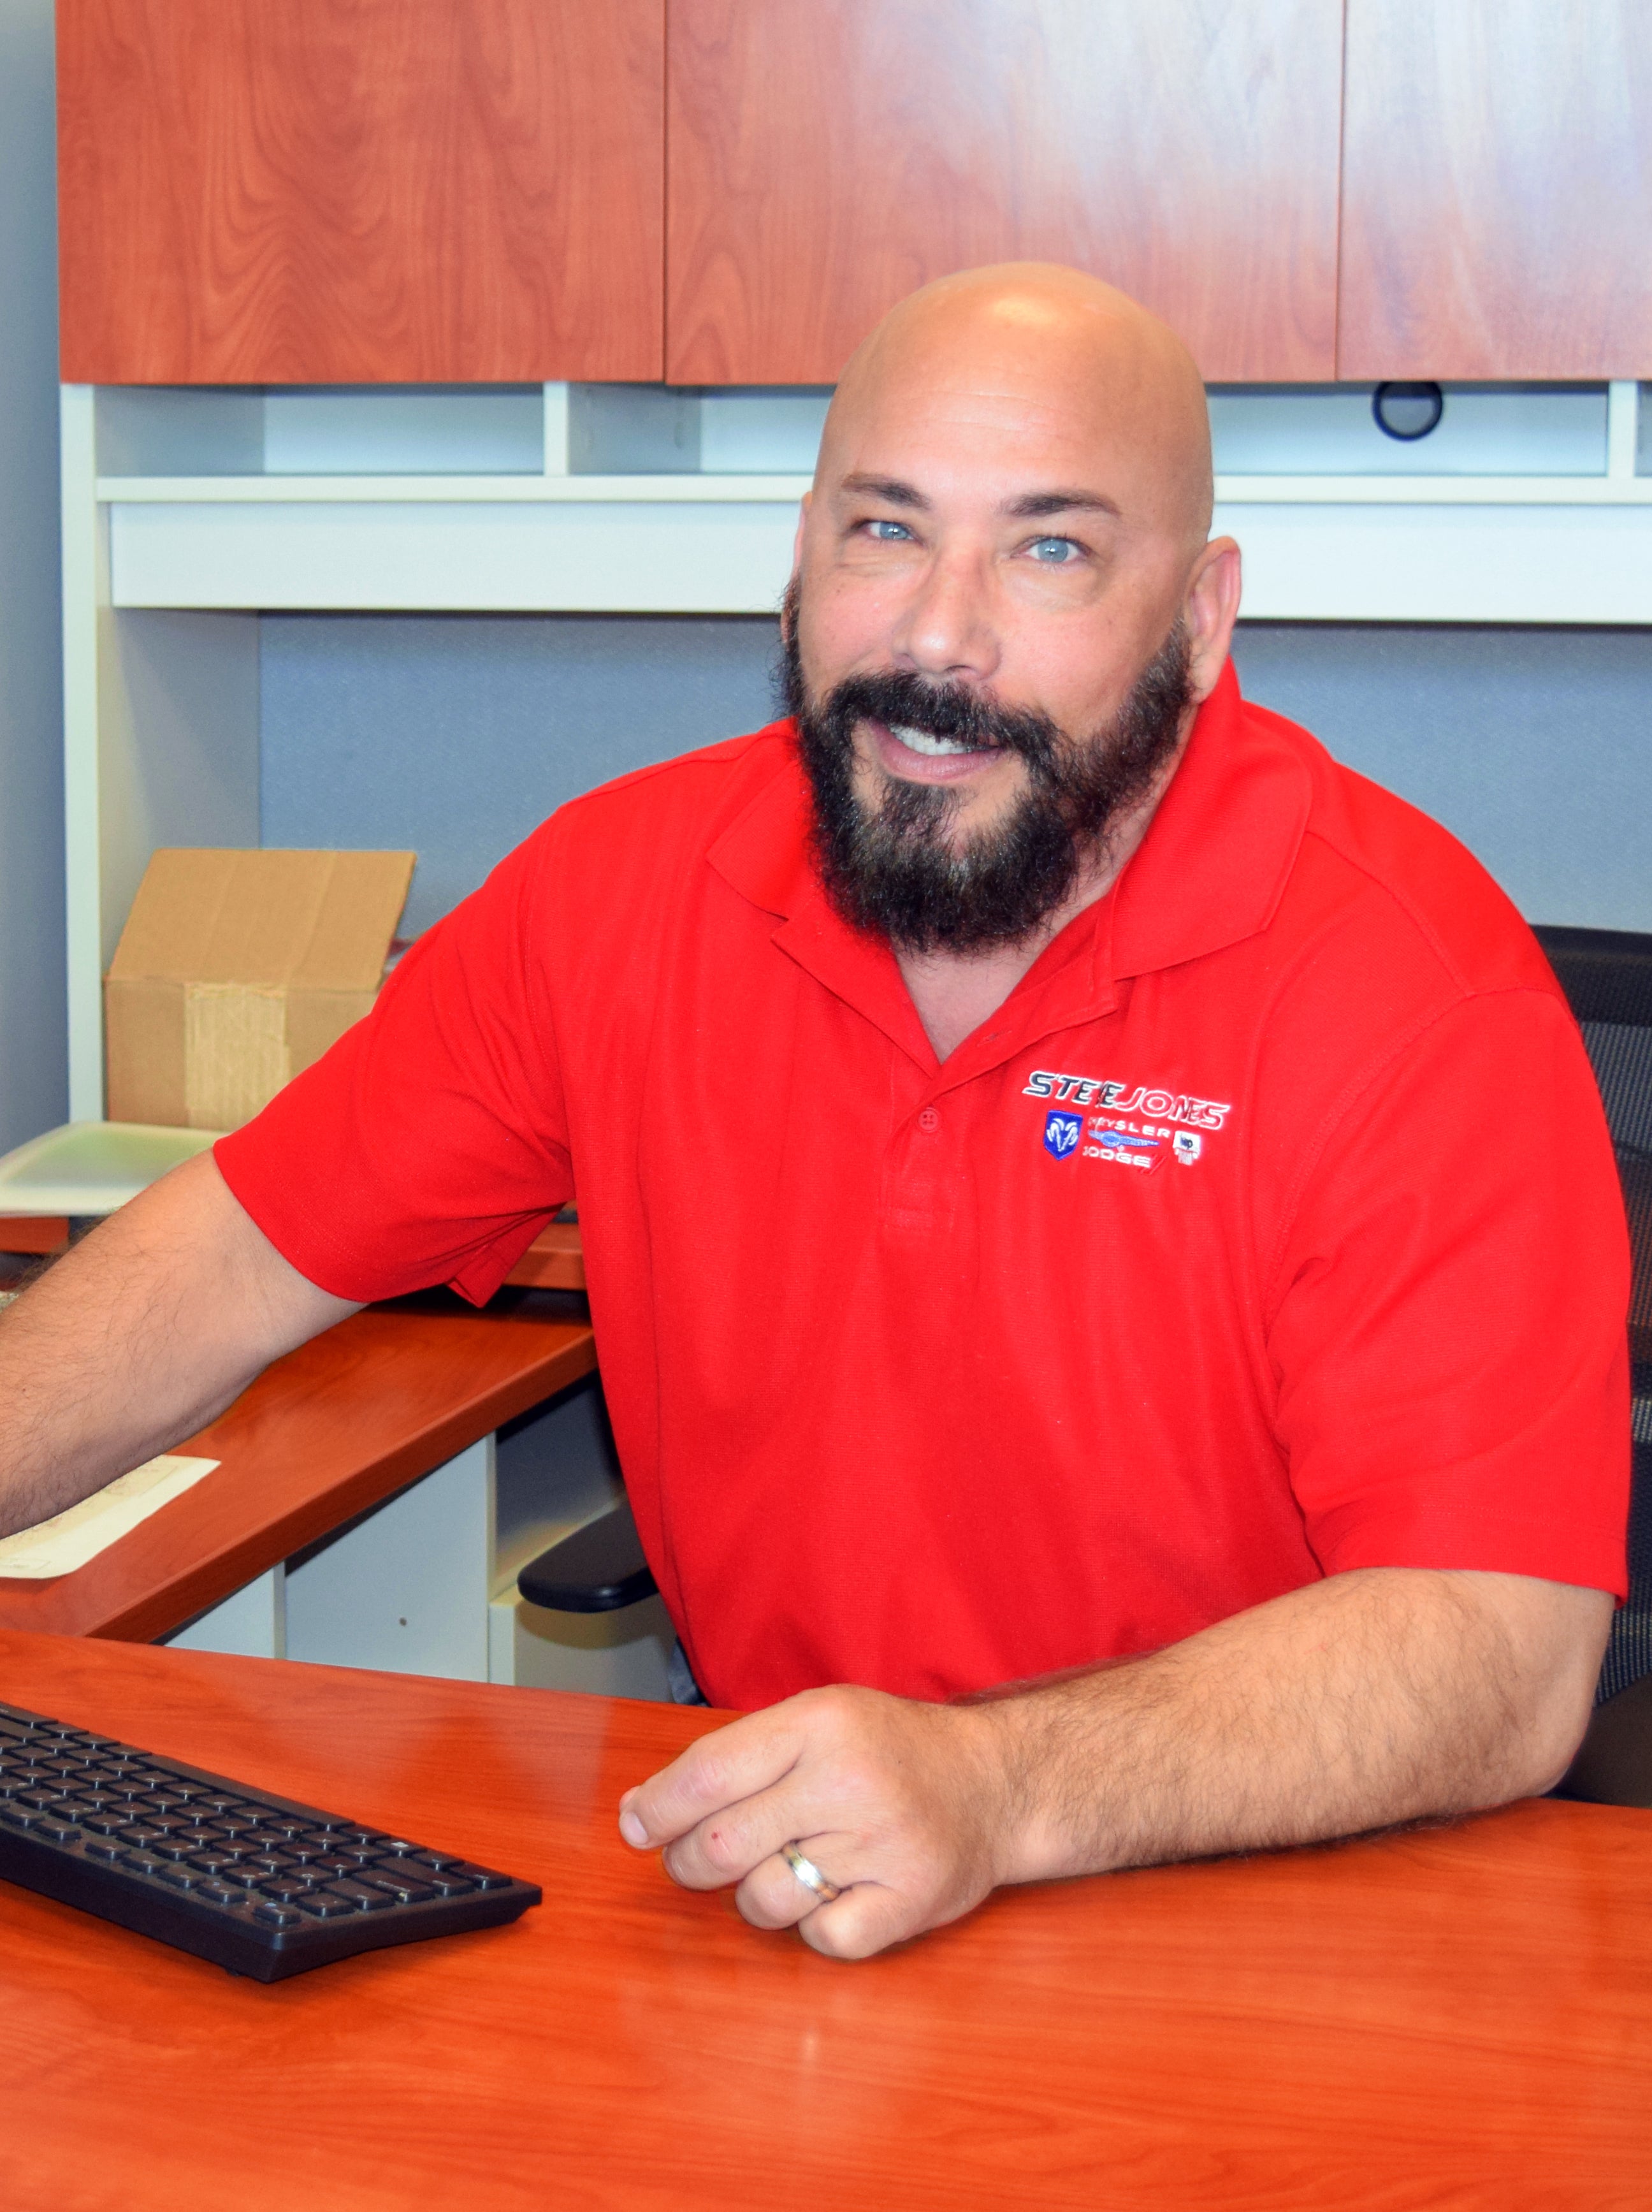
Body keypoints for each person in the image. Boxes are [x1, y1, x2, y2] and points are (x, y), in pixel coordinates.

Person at [0, 265, 1629, 1962]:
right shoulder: (621, 895)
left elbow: (1506, 1651)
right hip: (788, 1887)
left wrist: (997, 1786)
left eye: (1050, 550)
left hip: (1264, 1909)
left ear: (1203, 620)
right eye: (885, 532)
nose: (937, 636)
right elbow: (233, 1251)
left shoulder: (1412, 991)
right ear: (803, 556)